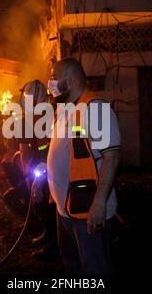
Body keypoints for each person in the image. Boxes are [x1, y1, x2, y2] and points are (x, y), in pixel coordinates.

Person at [47, 58, 121, 274]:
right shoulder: (65, 110)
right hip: (65, 211)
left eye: (54, 77)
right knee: (73, 266)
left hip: (88, 211)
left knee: (94, 269)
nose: (50, 82)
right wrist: (50, 186)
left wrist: (99, 204)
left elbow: (112, 156)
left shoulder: (95, 108)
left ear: (70, 80)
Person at [1, 80, 58, 260]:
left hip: (43, 171)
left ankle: (53, 245)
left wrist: (29, 178)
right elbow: (25, 151)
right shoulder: (53, 115)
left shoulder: (27, 121)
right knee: (48, 207)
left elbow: (25, 153)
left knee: (45, 206)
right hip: (52, 169)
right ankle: (47, 234)